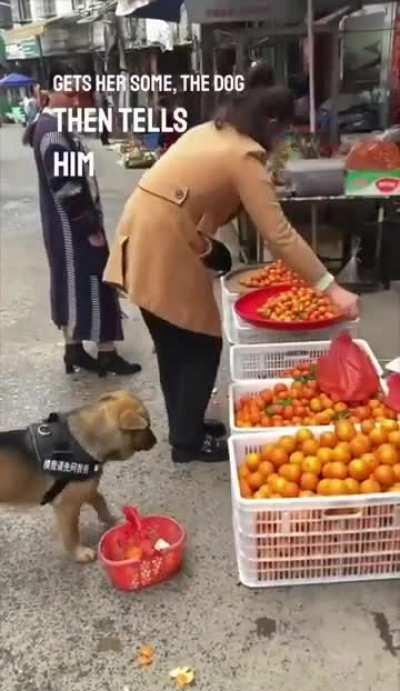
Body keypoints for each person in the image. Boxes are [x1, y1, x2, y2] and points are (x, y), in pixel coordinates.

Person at [104, 73, 359, 463]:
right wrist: (330, 286)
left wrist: (207, 244)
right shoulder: (243, 157)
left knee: (173, 344)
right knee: (200, 344)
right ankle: (188, 444)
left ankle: (185, 427)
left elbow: (193, 191)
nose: (284, 141)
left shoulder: (211, 132)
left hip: (144, 231)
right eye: (286, 131)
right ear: (272, 123)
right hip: (164, 243)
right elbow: (279, 234)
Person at [24, 63, 141, 377]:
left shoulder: (52, 126)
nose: (77, 102)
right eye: (70, 94)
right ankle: (106, 353)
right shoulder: (52, 132)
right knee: (95, 283)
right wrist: (89, 226)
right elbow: (67, 188)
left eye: (82, 95)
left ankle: (74, 349)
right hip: (72, 228)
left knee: (71, 284)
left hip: (66, 226)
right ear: (48, 93)